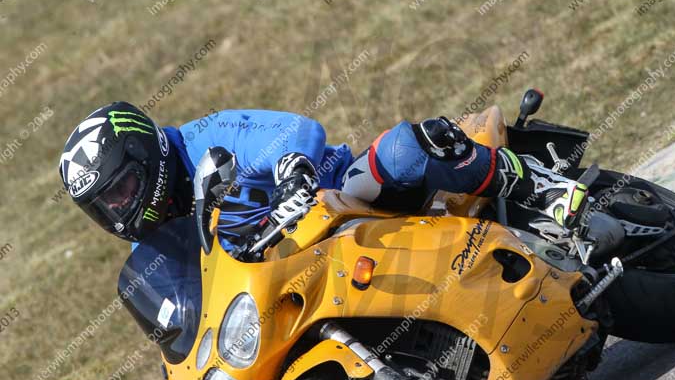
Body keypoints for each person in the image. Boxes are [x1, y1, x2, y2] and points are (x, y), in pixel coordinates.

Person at [58, 102, 587, 254]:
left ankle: (543, 189)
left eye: (123, 189)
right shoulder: (156, 248)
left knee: (404, 148)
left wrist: (292, 172)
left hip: (346, 200)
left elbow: (296, 131)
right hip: (303, 270)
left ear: (143, 155)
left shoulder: (206, 138)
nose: (122, 209)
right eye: (106, 206)